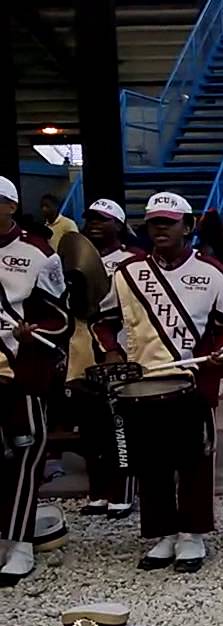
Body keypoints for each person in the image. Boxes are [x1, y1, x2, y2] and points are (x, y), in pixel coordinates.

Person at [90, 192, 223, 573]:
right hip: (141, 383)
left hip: (190, 384)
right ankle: (163, 533)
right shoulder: (127, 273)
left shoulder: (213, 272)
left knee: (193, 462)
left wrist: (218, 354)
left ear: (187, 227)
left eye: (168, 223)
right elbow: (104, 322)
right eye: (154, 222)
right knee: (151, 463)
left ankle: (192, 535)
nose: (160, 229)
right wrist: (111, 351)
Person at [0, 176, 72, 586]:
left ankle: (22, 542)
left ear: (11, 206)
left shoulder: (38, 253)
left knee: (26, 457)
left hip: (20, 370)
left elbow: (59, 318)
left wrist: (34, 331)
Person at [71, 199, 142, 517]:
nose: (94, 224)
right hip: (82, 346)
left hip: (120, 347)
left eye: (102, 219)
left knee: (121, 422)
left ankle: (124, 490)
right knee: (90, 426)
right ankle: (98, 490)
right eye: (90, 219)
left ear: (118, 223)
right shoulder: (75, 258)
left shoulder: (133, 260)